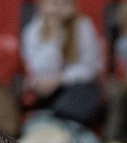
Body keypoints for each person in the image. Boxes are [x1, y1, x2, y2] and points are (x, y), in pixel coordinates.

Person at [22, 0, 106, 129]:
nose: (58, 8)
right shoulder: (33, 29)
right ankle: (53, 122)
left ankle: (61, 123)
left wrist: (61, 78)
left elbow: (90, 68)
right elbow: (39, 69)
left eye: (64, 3)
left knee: (84, 89)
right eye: (54, 3)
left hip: (76, 88)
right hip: (45, 91)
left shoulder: (83, 26)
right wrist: (54, 36)